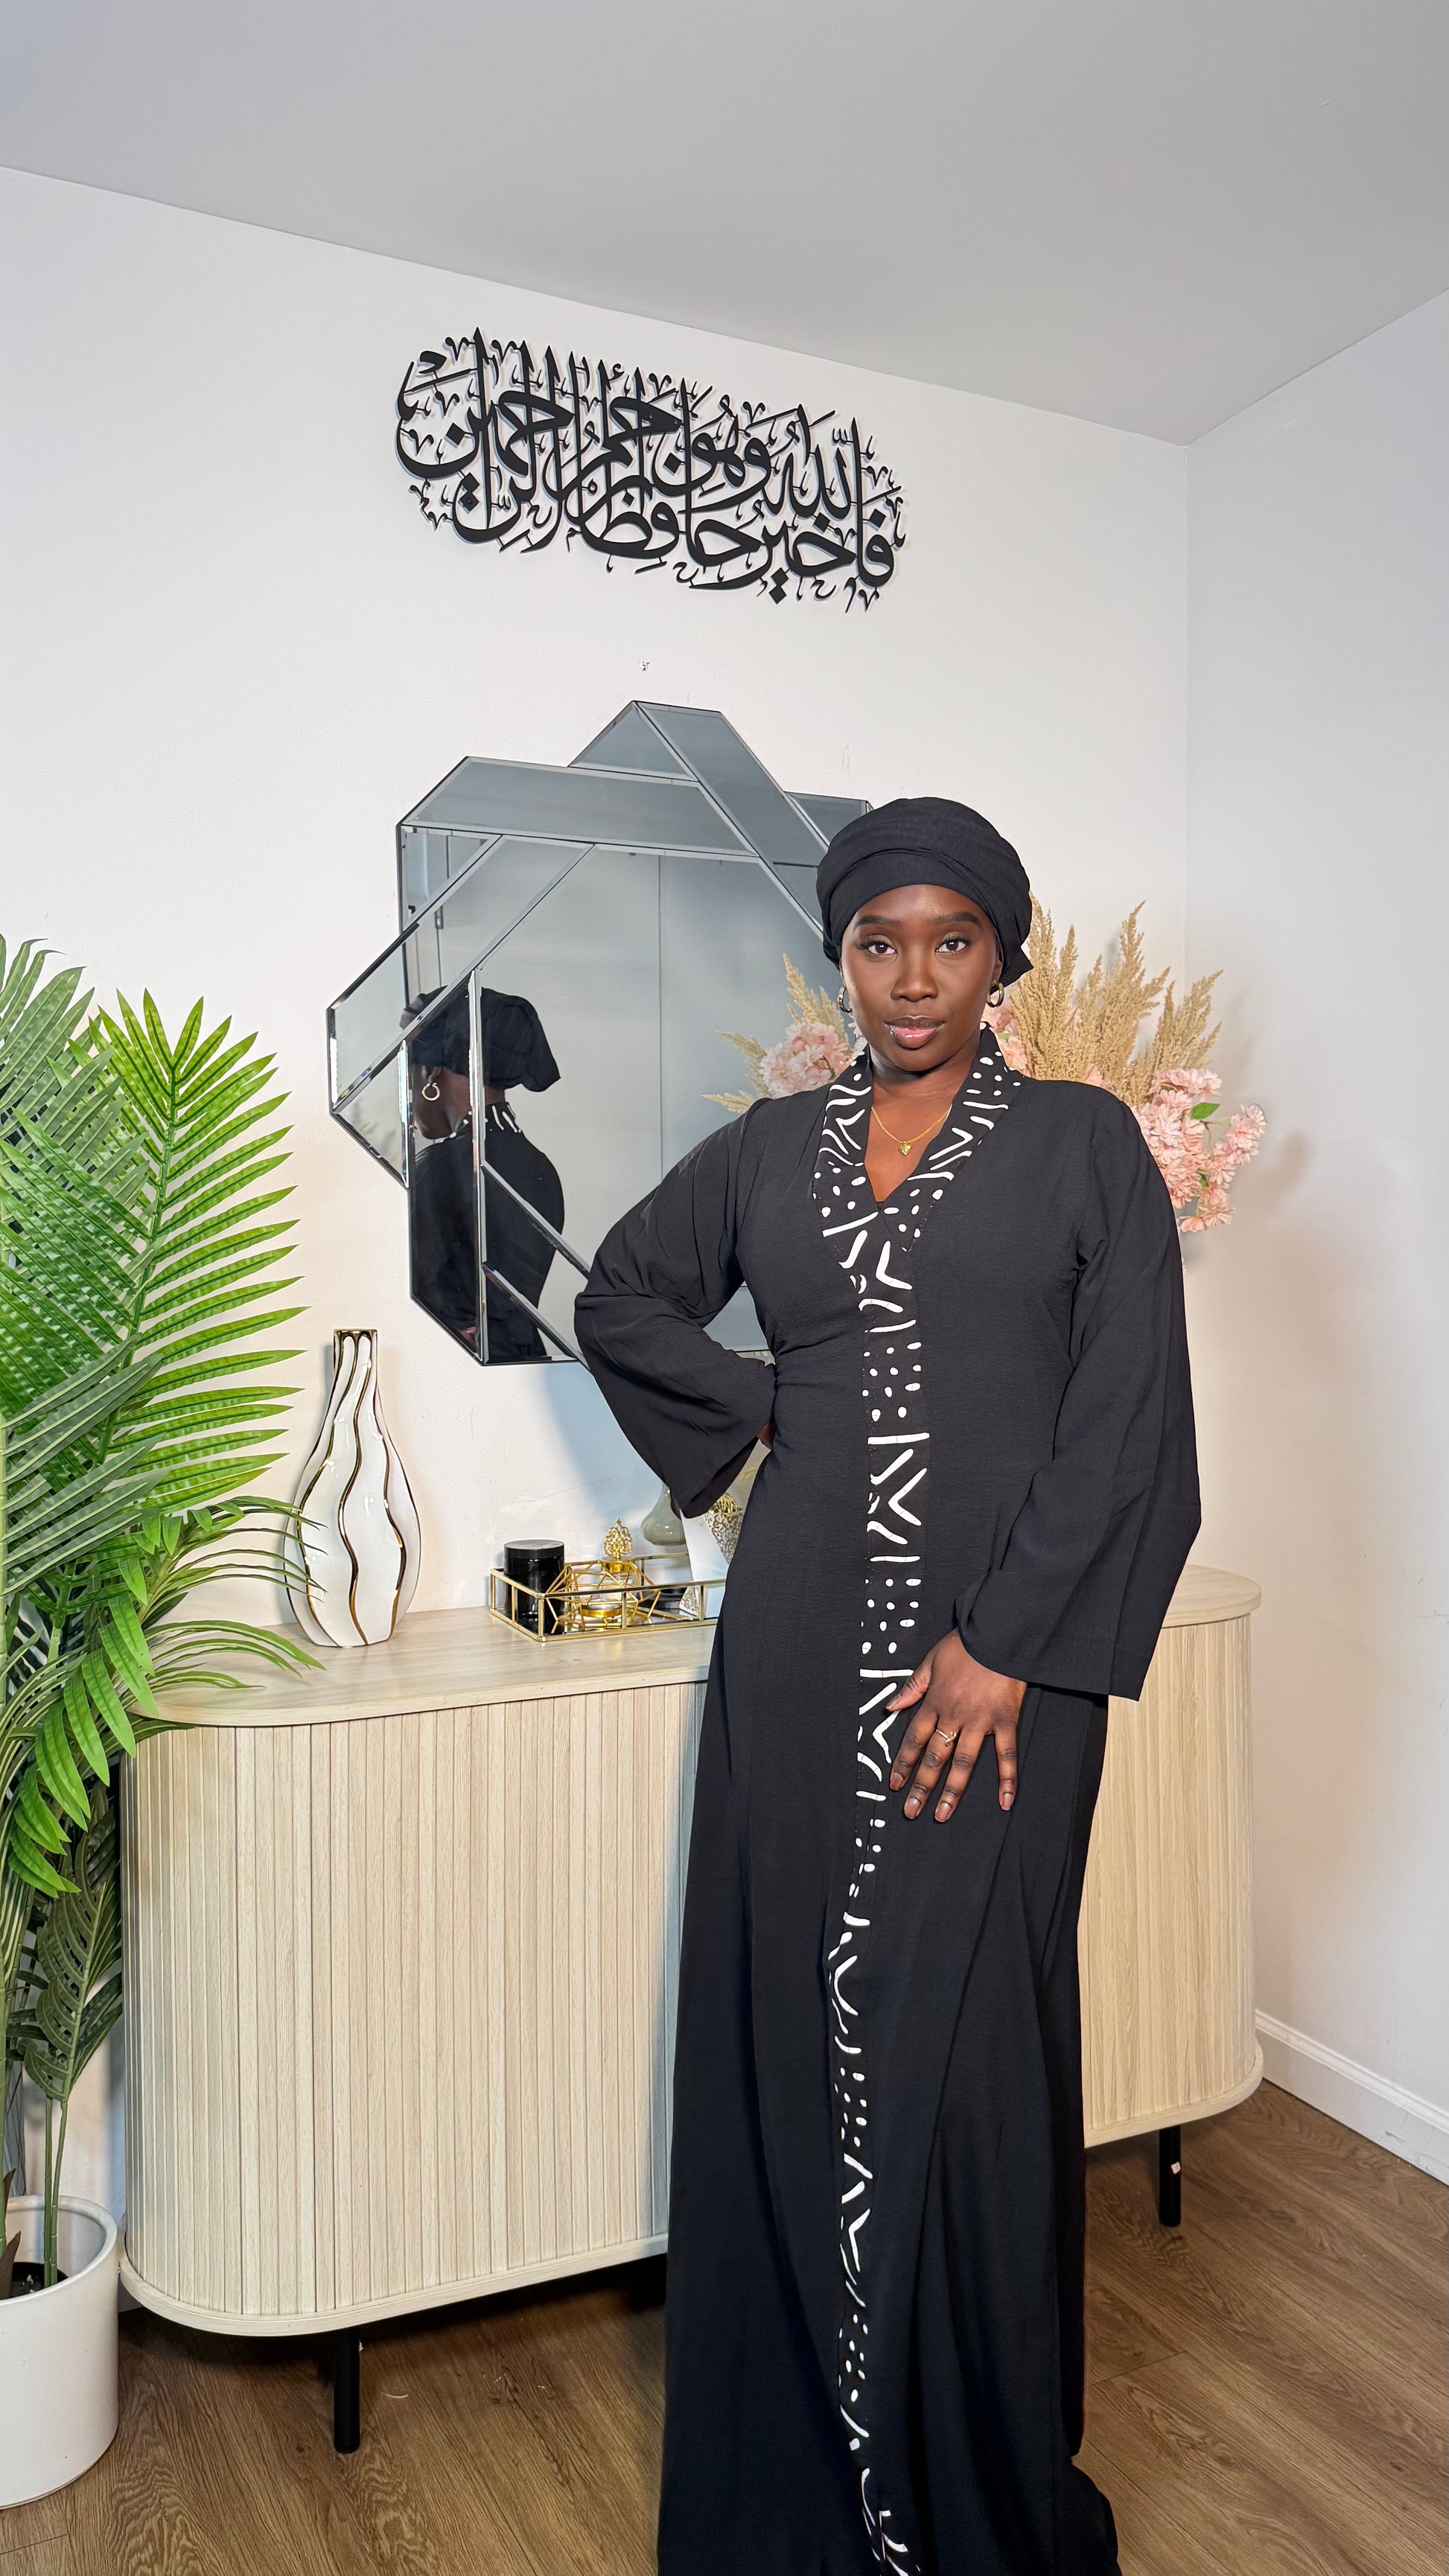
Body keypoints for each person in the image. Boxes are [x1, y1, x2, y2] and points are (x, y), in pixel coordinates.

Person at [575, 797, 1200, 2576]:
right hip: (794, 1648)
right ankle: (793, 2503)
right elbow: (622, 1294)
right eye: (877, 941)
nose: (912, 977)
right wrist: (769, 1403)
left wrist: (1005, 1646)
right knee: (792, 2024)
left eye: (950, 940)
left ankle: (965, 2495)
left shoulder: (1081, 1144)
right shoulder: (770, 1152)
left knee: (973, 2054)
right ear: (840, 956)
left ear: (1005, 956)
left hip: (1002, 1672)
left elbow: (1128, 1415)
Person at [409, 984, 565, 1362]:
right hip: (525, 1367)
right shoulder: (540, 1165)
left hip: (457, 1369)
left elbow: (410, 1297)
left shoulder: (438, 1168)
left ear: (430, 1073)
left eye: (408, 1075)